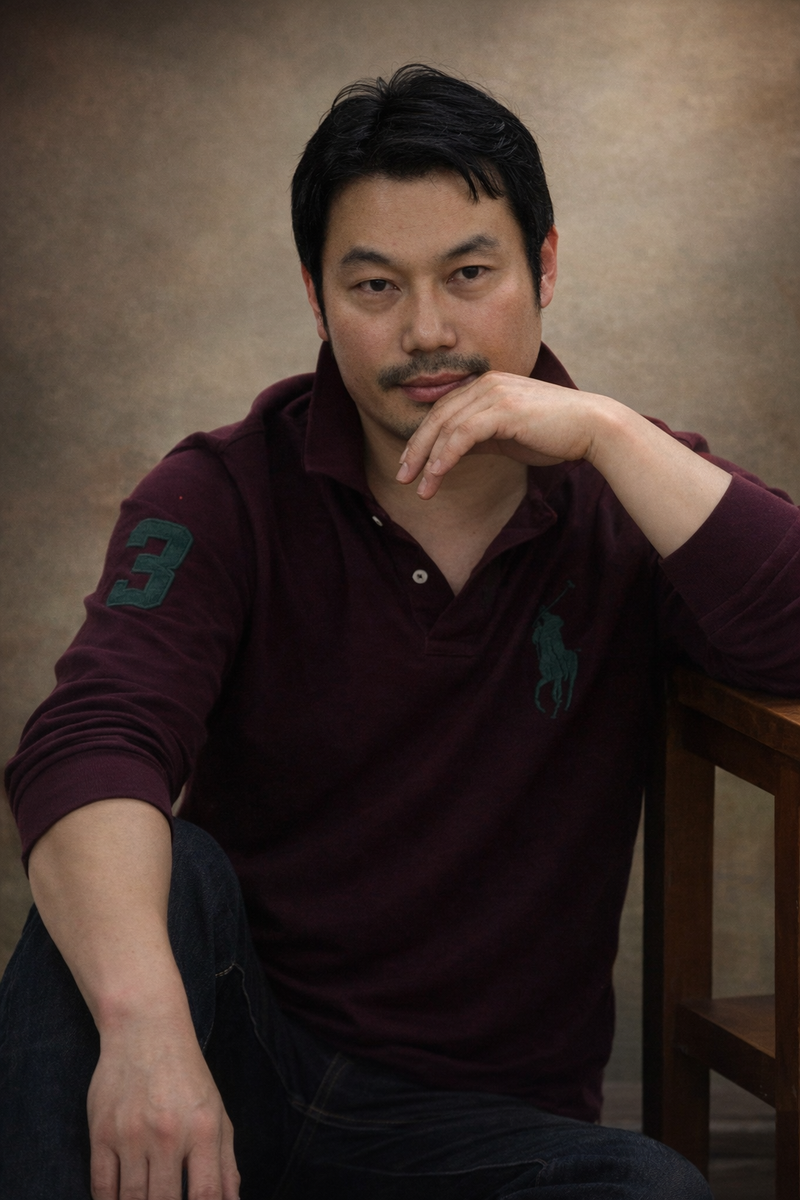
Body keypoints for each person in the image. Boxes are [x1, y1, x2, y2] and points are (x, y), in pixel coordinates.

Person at [2, 63, 799, 1200]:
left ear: (545, 266)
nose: (427, 331)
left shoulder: (630, 491)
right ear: (315, 295)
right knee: (158, 868)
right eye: (374, 285)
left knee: (652, 1191)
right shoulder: (220, 494)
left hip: (481, 1130)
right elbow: (91, 738)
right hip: (228, 1063)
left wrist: (611, 433)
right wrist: (147, 1036)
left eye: (469, 275)